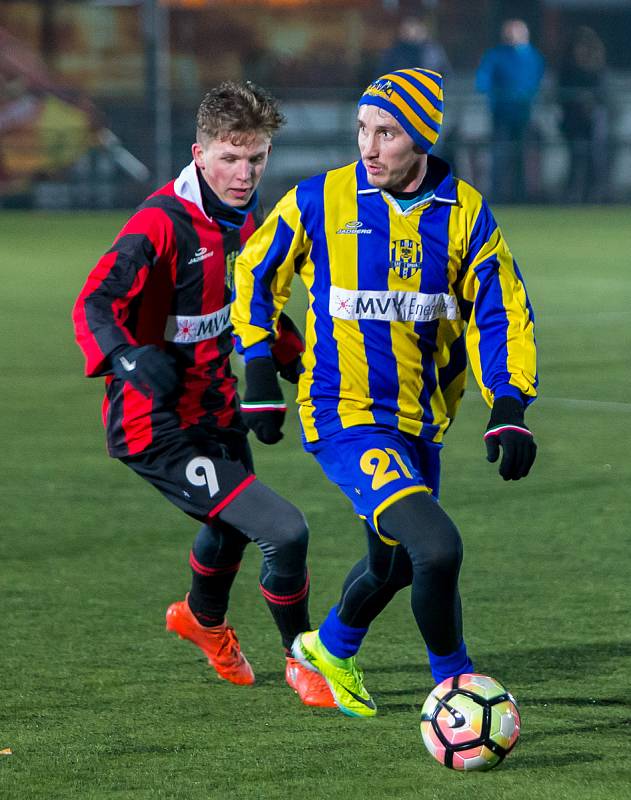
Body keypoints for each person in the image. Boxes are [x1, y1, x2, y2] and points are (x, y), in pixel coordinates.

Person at [231, 68, 537, 718]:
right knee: (436, 546)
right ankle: (456, 687)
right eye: (362, 129)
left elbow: (501, 312)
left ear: (422, 138)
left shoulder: (466, 215)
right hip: (341, 415)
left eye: (387, 133)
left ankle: (330, 647)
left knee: (396, 565)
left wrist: (508, 404)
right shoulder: (321, 199)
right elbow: (255, 269)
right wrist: (258, 365)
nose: (369, 147)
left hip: (419, 422)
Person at [72, 81, 334, 708]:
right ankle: (307, 661)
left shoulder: (242, 218)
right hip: (154, 427)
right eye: (230, 158)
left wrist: (296, 362)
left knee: (232, 527)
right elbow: (94, 303)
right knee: (285, 530)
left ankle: (201, 620)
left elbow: (251, 304)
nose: (244, 174)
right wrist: (129, 358)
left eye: (257, 159)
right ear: (199, 153)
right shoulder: (159, 225)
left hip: (216, 411)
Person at [475, 19, 545, 202]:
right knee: (500, 154)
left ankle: (521, 193)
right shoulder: (496, 56)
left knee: (522, 154)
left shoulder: (533, 56)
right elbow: (483, 80)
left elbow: (537, 81)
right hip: (501, 113)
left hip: (523, 113)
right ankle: (499, 193)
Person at [558, 26, 609, 203]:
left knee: (595, 158)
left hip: (593, 119)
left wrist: (590, 103)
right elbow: (561, 94)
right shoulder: (568, 67)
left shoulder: (596, 66)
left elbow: (602, 92)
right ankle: (575, 195)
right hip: (574, 120)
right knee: (576, 158)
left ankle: (596, 195)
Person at [378, 16, 451, 77]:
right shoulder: (395, 51)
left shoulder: (432, 49)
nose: (410, 32)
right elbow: (384, 73)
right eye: (406, 29)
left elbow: (444, 73)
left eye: (414, 28)